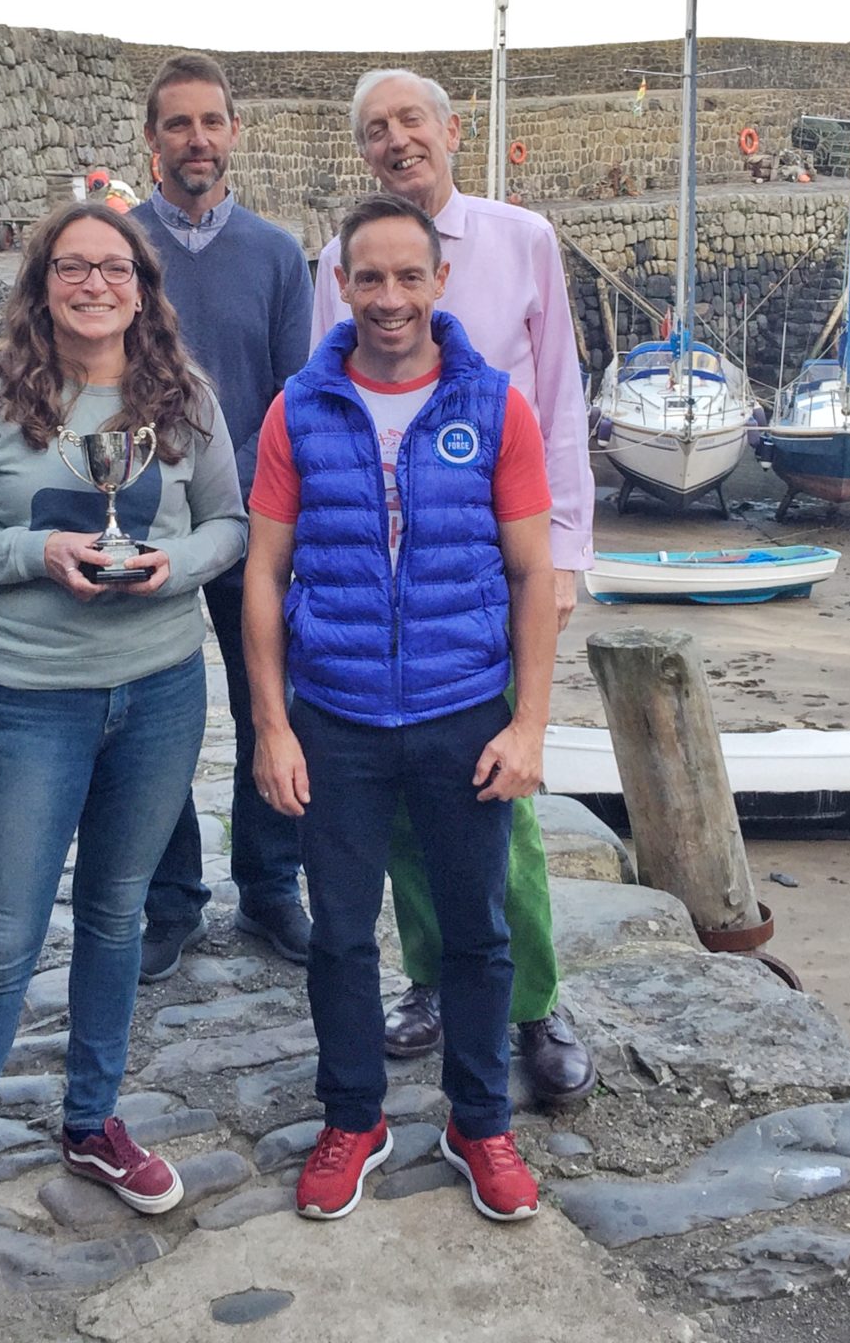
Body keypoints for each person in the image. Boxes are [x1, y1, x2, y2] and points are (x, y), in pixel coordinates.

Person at [0, 201, 246, 1307]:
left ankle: (91, 1120)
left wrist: (168, 568)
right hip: (31, 704)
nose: (96, 283)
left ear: (142, 283)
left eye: (115, 266)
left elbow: (227, 526)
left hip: (159, 694)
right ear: (41, 288)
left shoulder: (180, 396)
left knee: (117, 916)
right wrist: (36, 550)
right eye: (72, 267)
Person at [248, 192, 555, 1222]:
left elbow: (529, 571)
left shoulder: (494, 406)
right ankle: (354, 1118)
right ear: (339, 285)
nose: (387, 297)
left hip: (461, 709)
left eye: (405, 276)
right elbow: (262, 574)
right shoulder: (297, 408)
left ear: (439, 281)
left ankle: (479, 1122)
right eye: (366, 277)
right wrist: (272, 727)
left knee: (475, 931)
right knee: (339, 934)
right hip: (332, 715)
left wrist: (527, 726)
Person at [311, 68, 598, 1105]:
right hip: (372, 586)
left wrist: (565, 556)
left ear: (450, 130)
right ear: (362, 152)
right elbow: (318, 402)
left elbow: (561, 398)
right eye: (376, 130)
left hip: (492, 566)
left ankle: (535, 1001)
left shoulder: (523, 241)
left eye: (410, 122)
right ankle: (432, 979)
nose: (396, 140)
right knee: (395, 813)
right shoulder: (333, 262)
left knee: (498, 798)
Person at [132, 52, 314, 981]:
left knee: (265, 708)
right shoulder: (115, 245)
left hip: (258, 523)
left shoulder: (281, 255)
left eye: (211, 122)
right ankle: (170, 900)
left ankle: (272, 887)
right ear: (151, 138)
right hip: (149, 526)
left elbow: (295, 398)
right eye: (177, 124)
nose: (196, 139)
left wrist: (252, 501)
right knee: (160, 717)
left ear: (234, 133)